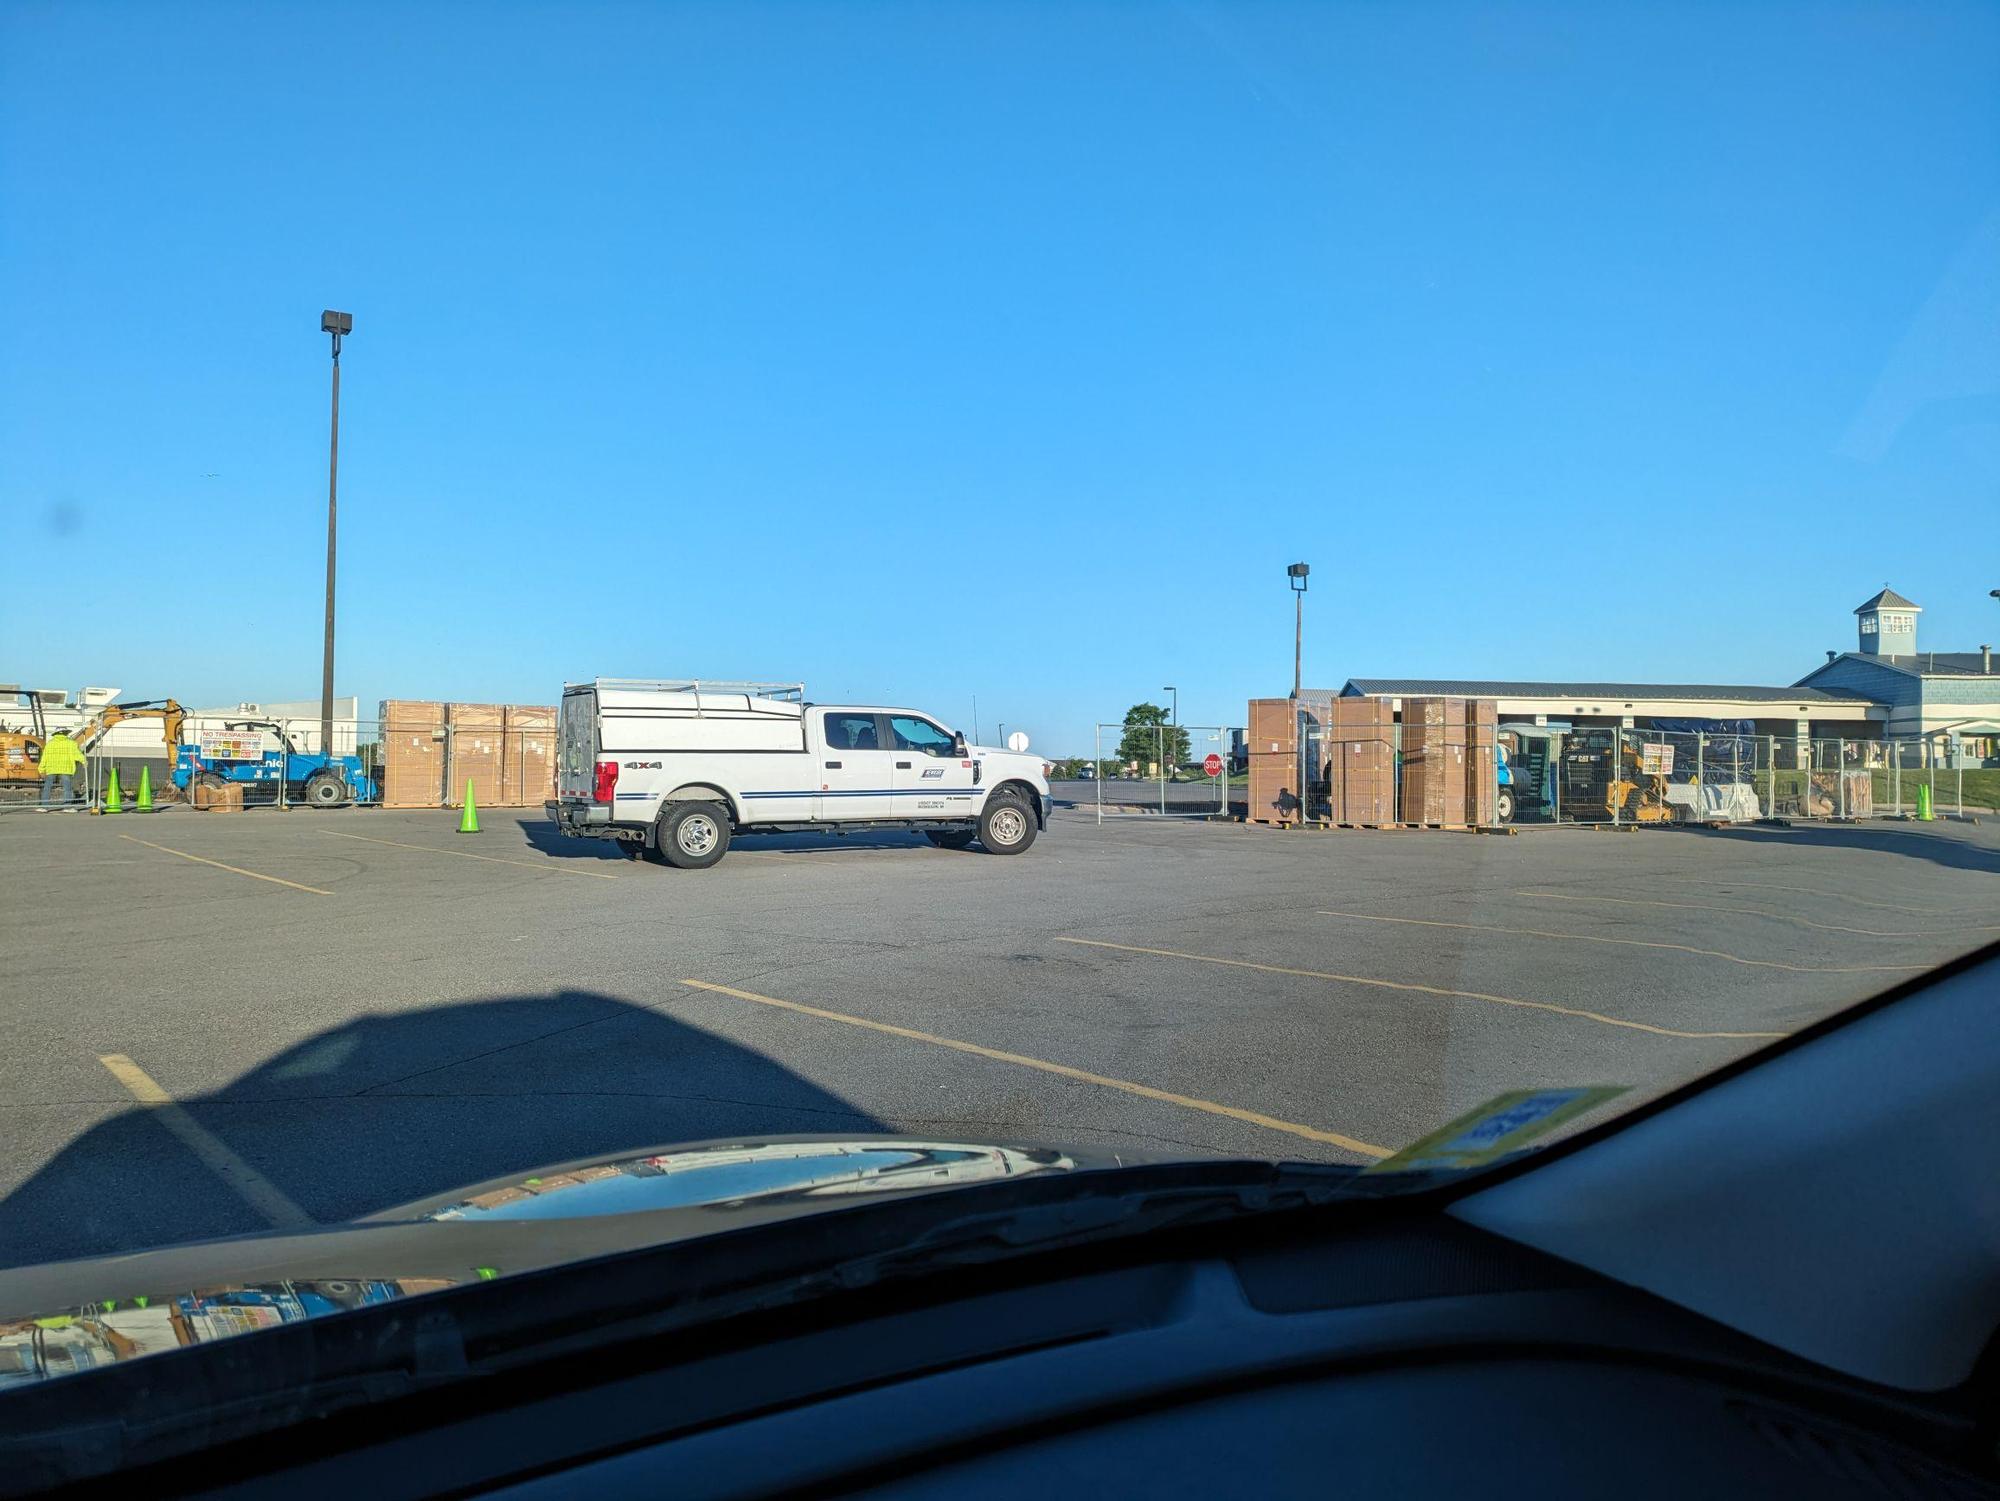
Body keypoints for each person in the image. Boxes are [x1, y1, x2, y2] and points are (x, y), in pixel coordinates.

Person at [36, 730, 85, 810]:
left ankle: (44, 806)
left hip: (51, 768)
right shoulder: (71, 743)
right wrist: (84, 761)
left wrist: (41, 769)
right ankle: (67, 807)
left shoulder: (50, 744)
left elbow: (44, 757)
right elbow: (77, 754)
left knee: (47, 787)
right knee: (67, 788)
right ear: (66, 733)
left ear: (55, 734)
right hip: (66, 768)